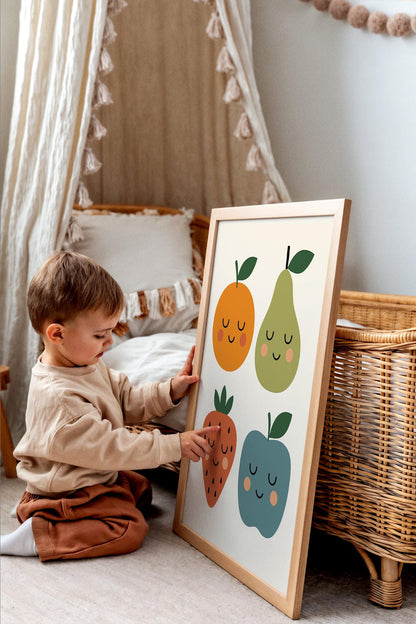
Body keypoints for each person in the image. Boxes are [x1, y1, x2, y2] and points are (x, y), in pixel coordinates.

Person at [1, 251, 219, 562]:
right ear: (57, 334)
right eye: (100, 335)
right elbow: (113, 447)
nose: (110, 343)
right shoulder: (60, 397)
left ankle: (41, 510)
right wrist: (174, 445)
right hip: (67, 490)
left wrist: (170, 391)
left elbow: (126, 399)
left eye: (111, 332)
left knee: (140, 490)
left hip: (87, 471)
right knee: (129, 528)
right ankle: (40, 532)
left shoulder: (87, 363)